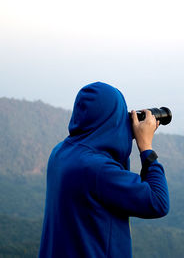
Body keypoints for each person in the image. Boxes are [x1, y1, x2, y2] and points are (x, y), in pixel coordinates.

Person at [38, 82, 169, 258]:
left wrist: (120, 137)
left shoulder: (60, 152)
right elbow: (158, 202)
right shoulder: (97, 169)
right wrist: (146, 147)